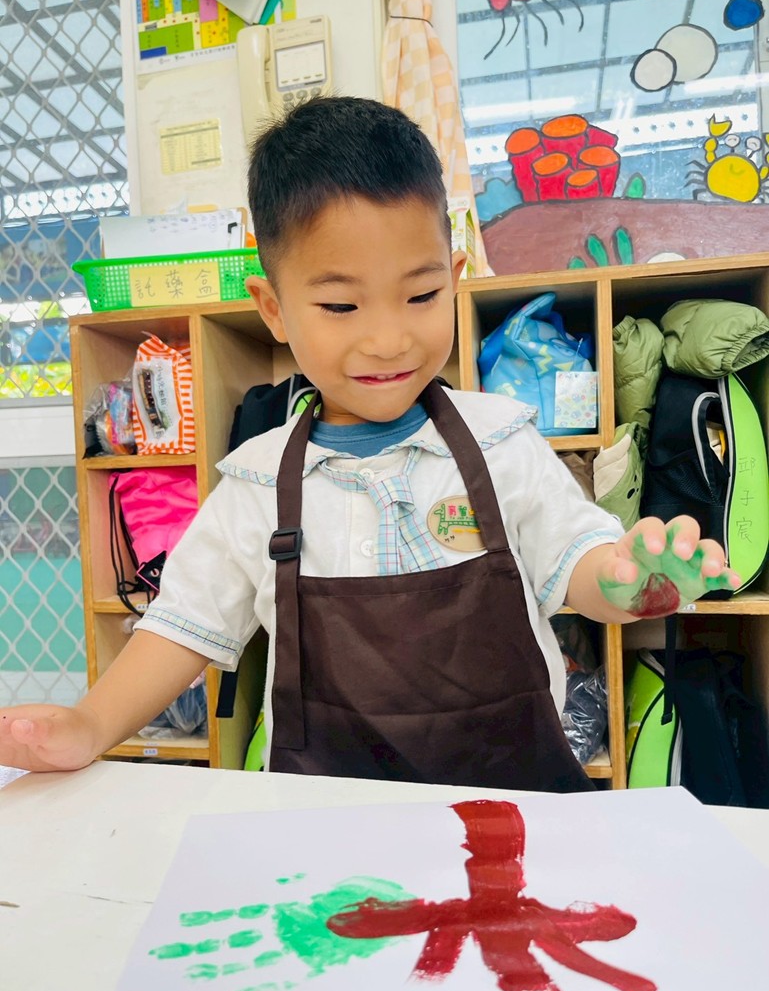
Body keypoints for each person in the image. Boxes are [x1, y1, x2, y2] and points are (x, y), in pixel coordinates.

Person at [0, 97, 738, 789]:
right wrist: (89, 725)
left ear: (453, 280)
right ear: (274, 309)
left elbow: (577, 566)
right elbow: (181, 628)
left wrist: (624, 583)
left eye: (420, 295)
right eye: (340, 305)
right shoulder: (256, 483)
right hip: (327, 833)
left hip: (511, 814)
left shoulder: (500, 439)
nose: (388, 338)